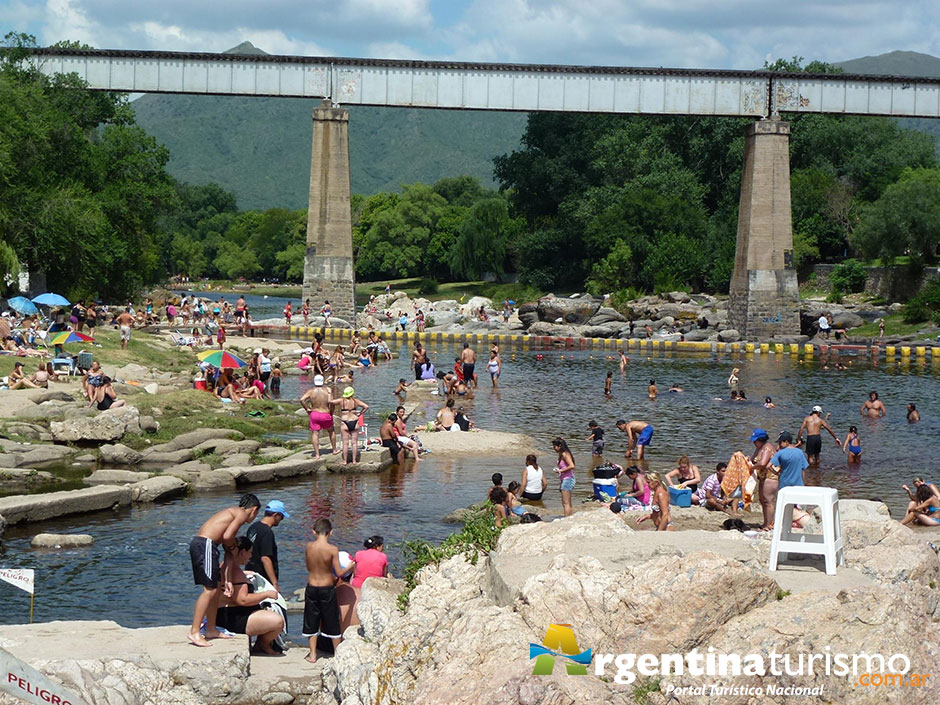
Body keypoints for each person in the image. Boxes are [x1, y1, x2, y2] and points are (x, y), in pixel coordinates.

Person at [188, 494, 261, 648]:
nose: (254, 518)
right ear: (254, 510)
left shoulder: (233, 517)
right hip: (205, 544)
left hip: (209, 546)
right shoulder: (240, 514)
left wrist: (227, 580)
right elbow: (228, 538)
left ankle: (211, 629)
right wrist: (234, 546)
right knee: (209, 590)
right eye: (256, 514)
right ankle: (195, 631)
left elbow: (229, 554)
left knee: (217, 585)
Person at [214, 536, 285, 655]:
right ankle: (263, 643)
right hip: (233, 619)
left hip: (223, 614)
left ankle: (259, 644)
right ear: (242, 552)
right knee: (278, 622)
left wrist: (245, 574)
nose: (251, 556)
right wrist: (266, 594)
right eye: (250, 552)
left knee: (268, 612)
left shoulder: (225, 567)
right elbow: (242, 600)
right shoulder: (236, 573)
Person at [303, 518, 355, 663]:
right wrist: (350, 568)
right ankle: (337, 654)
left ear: (314, 531)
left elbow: (308, 566)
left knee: (311, 619)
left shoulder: (309, 546)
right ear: (330, 533)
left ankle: (313, 655)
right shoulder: (332, 549)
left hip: (312, 586)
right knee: (331, 620)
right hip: (327, 587)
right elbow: (338, 572)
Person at [245, 500, 288, 597]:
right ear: (276, 515)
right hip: (262, 580)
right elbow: (265, 558)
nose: (282, 519)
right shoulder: (267, 532)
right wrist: (275, 583)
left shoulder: (253, 527)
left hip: (250, 574)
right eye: (282, 516)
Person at [300, 375, 336, 458]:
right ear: (323, 381)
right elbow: (332, 403)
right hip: (325, 413)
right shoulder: (328, 390)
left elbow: (302, 399)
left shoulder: (311, 391)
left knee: (315, 433)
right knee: (331, 431)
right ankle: (334, 450)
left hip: (315, 414)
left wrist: (307, 409)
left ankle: (317, 454)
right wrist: (331, 412)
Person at [749, 428, 776, 531]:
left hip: (771, 477)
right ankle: (765, 522)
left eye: (755, 441)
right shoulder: (759, 448)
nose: (754, 443)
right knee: (762, 500)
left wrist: (751, 468)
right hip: (762, 477)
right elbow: (754, 460)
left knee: (768, 501)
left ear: (761, 440)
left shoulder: (767, 448)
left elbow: (763, 463)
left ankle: (769, 524)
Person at [332, 386, 368, 464]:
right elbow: (366, 406)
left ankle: (345, 461)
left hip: (345, 422)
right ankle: (354, 461)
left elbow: (331, 402)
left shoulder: (341, 400)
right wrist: (360, 413)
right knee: (354, 443)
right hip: (355, 421)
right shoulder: (356, 401)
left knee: (345, 443)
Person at [551, 438, 576, 517]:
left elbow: (572, 466)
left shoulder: (565, 454)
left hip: (567, 479)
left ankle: (566, 518)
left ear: (560, 446)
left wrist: (561, 471)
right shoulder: (562, 454)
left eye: (555, 446)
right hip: (565, 479)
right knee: (567, 502)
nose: (554, 448)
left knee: (566, 503)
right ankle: (569, 517)